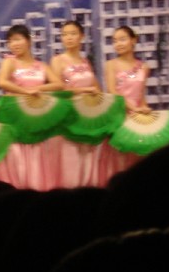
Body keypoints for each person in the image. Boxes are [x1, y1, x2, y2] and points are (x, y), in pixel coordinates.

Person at [0, 24, 63, 190]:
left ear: (29, 41)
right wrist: (25, 91)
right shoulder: (9, 62)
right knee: (17, 153)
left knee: (37, 152)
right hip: (16, 116)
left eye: (17, 39)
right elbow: (1, 82)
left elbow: (59, 84)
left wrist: (38, 89)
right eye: (10, 41)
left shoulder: (41, 66)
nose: (13, 44)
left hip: (36, 116)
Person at [49, 20, 101, 187]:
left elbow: (96, 87)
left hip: (88, 114)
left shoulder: (85, 62)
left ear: (81, 37)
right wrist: (83, 90)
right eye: (64, 34)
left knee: (89, 156)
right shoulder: (58, 60)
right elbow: (58, 89)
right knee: (71, 158)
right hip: (69, 114)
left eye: (73, 34)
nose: (68, 38)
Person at [97, 26, 149, 183]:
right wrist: (134, 108)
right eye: (115, 41)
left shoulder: (144, 67)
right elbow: (113, 92)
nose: (118, 44)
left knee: (138, 161)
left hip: (138, 117)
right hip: (119, 117)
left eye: (122, 39)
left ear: (134, 40)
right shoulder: (111, 65)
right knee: (118, 162)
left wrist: (145, 109)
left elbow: (141, 94)